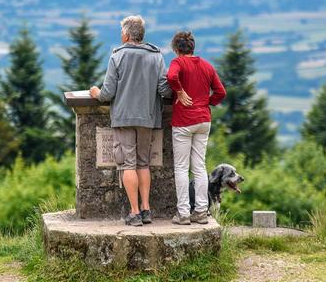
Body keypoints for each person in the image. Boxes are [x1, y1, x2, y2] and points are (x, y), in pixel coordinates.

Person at [89, 15, 171, 227]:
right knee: (144, 163)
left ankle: (134, 213)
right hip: (148, 117)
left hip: (124, 117)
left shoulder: (117, 56)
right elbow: (164, 89)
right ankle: (146, 209)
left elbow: (107, 93)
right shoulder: (157, 56)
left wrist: (96, 92)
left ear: (126, 35)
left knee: (128, 164)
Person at [167, 31, 226, 225]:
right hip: (203, 120)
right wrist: (206, 102)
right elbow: (221, 92)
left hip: (184, 120)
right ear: (193, 47)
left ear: (176, 49)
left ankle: (183, 213)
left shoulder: (178, 63)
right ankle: (201, 211)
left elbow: (171, 76)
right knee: (199, 167)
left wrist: (179, 91)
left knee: (182, 168)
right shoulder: (206, 65)